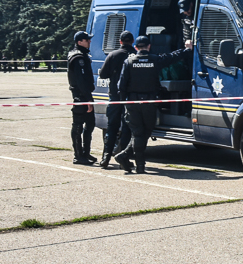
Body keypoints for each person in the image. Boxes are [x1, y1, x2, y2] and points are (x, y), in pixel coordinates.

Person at [114, 36, 193, 174]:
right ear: (149, 46)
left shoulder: (129, 61)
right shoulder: (155, 59)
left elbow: (121, 86)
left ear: (136, 47)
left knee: (138, 133)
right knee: (144, 132)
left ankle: (129, 158)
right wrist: (187, 50)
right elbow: (172, 57)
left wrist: (124, 103)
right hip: (149, 102)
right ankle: (136, 163)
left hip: (132, 102)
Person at [97, 30, 135, 169]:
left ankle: (106, 157)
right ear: (132, 41)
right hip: (130, 97)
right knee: (126, 128)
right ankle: (123, 158)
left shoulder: (113, 55)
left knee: (112, 127)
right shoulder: (135, 55)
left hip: (115, 96)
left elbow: (103, 74)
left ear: (120, 41)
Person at [67, 31, 97, 165]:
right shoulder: (78, 57)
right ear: (79, 42)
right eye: (86, 40)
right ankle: (78, 155)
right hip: (81, 96)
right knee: (78, 126)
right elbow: (81, 81)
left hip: (84, 95)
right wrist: (88, 99)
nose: (89, 41)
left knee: (90, 124)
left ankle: (86, 152)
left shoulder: (81, 55)